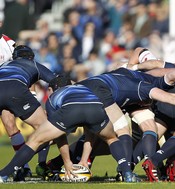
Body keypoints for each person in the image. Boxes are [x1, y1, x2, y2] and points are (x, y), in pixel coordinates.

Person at [0, 76, 140, 183]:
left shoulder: (53, 98)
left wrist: (67, 163)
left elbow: (60, 136)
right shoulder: (83, 89)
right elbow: (90, 132)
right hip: (96, 106)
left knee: (35, 140)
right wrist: (84, 160)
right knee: (111, 138)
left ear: (51, 89)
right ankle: (127, 173)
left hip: (71, 109)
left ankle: (4, 174)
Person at [0, 45, 57, 181]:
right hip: (16, 90)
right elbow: (56, 80)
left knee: (10, 125)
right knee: (46, 129)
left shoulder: (3, 65)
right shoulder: (33, 64)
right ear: (31, 57)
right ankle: (38, 165)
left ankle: (23, 168)